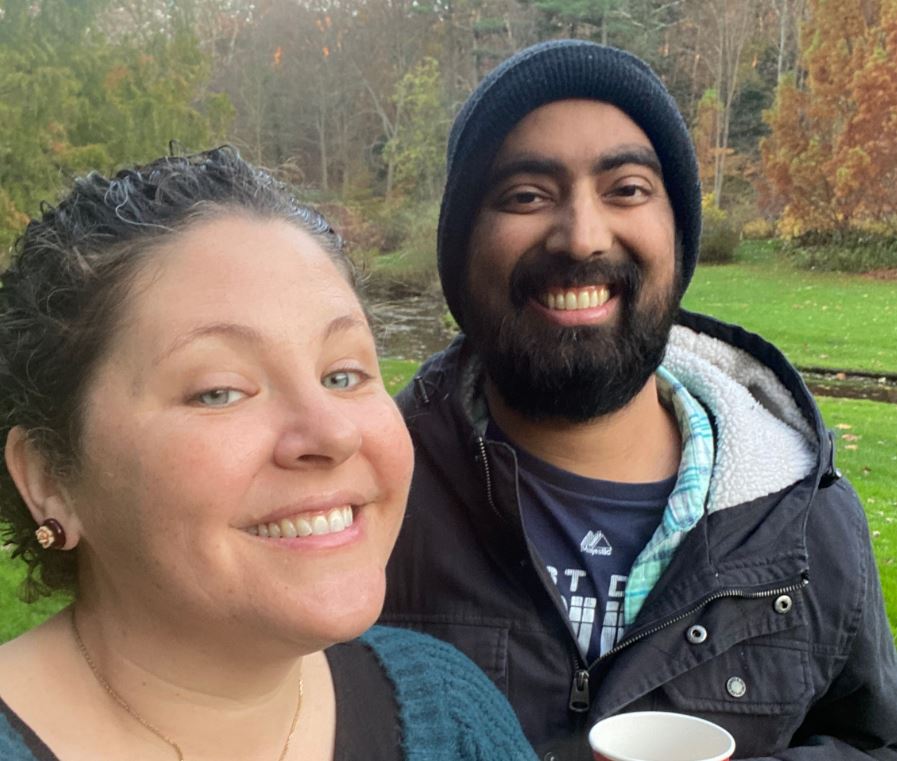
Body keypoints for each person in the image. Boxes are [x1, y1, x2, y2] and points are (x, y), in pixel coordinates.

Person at [380, 39, 897, 761]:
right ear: (460, 251)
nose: (583, 237)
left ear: (676, 239)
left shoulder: (805, 517)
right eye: (526, 195)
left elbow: (870, 741)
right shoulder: (367, 496)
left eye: (625, 188)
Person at [0, 147, 538, 761]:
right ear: (50, 479)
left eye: (343, 375)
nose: (333, 435)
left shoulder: (450, 710)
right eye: (219, 391)